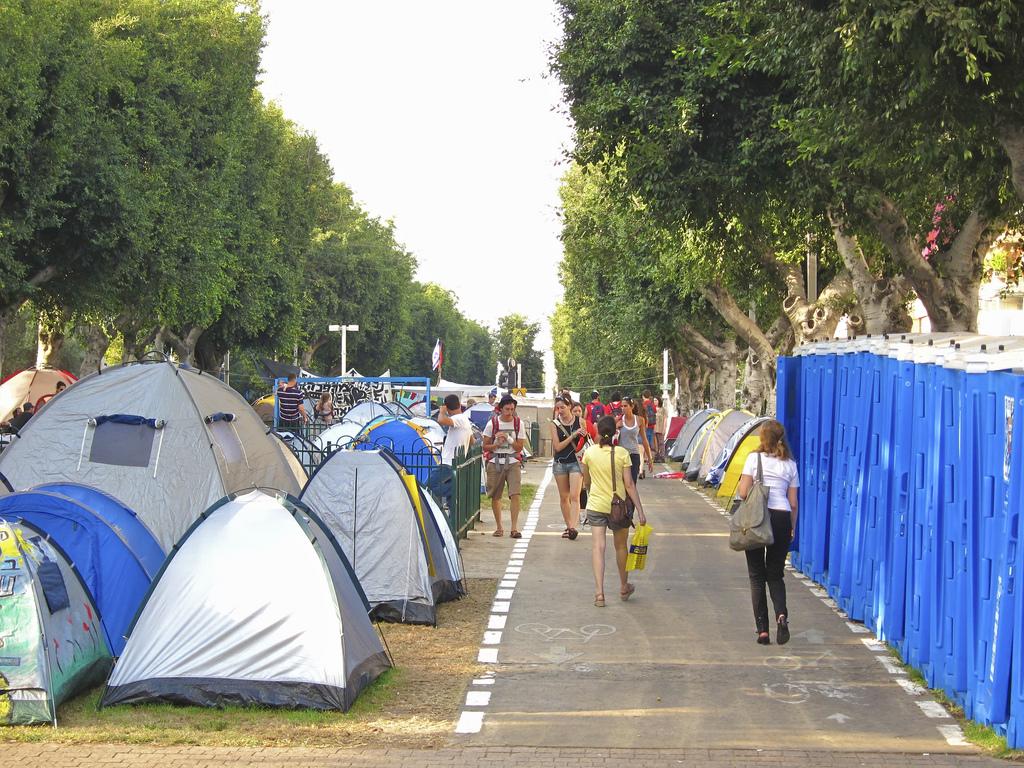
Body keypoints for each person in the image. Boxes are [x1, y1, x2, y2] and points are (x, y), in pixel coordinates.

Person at [736, 419, 800, 646]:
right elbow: (793, 503)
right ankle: (781, 615)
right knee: (775, 574)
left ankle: (762, 630)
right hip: (781, 518)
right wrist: (792, 526)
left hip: (757, 518)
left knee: (756, 576)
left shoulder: (754, 459)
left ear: (762, 439)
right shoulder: (790, 465)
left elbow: (743, 493)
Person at [581, 415, 647, 607]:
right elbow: (629, 484)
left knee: (598, 547)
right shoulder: (622, 453)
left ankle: (599, 593)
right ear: (616, 432)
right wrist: (640, 511)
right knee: (620, 546)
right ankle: (624, 585)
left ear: (598, 433)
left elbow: (586, 481)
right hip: (618, 506)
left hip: (595, 504)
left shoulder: (590, 453)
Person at [482, 395, 526, 538]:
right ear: (500, 409)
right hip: (495, 462)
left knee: (515, 494)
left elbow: (519, 447)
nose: (510, 412)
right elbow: (485, 446)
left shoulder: (519, 424)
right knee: (496, 495)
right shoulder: (492, 424)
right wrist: (496, 444)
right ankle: (499, 527)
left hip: (513, 461)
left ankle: (514, 528)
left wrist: (508, 438)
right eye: (507, 409)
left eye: (512, 409)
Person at [550, 395, 586, 540]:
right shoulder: (554, 424)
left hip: (576, 462)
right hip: (560, 462)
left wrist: (583, 435)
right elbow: (557, 447)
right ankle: (568, 525)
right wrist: (572, 436)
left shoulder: (580, 421)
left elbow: (585, 442)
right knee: (564, 496)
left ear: (569, 406)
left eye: (563, 407)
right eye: (557, 408)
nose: (560, 411)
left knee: (574, 495)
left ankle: (572, 527)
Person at [617, 397, 654, 483]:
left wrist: (649, 458)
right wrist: (616, 427)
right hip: (621, 455)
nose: (623, 408)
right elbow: (609, 436)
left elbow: (644, 440)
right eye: (621, 406)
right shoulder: (618, 420)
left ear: (632, 406)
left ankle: (631, 497)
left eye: (625, 406)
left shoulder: (640, 420)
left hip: (634, 454)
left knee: (632, 483)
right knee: (622, 484)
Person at [438, 394, 474, 466]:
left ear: (447, 408)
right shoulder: (464, 419)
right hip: (457, 463)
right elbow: (472, 441)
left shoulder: (458, 418)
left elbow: (441, 420)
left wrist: (442, 411)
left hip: (448, 462)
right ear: (459, 405)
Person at [641, 390, 658, 457]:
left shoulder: (643, 404)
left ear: (643, 396)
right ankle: (650, 455)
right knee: (651, 440)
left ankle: (646, 456)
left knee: (645, 440)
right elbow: (655, 412)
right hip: (652, 425)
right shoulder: (652, 404)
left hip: (645, 424)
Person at [654, 396, 667, 461]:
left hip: (660, 428)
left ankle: (662, 456)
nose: (655, 402)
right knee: (655, 444)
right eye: (654, 400)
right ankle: (656, 456)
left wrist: (664, 429)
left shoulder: (663, 409)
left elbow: (665, 419)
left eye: (656, 400)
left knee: (661, 443)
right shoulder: (653, 409)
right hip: (653, 429)